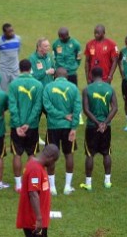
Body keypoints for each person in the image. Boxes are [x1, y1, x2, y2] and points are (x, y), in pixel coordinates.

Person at [43, 67, 81, 195]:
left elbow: (47, 107)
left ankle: (52, 188)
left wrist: (59, 114)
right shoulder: (73, 88)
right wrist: (74, 127)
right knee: (69, 154)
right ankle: (67, 186)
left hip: (53, 126)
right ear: (67, 76)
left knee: (50, 156)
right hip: (68, 127)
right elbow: (77, 109)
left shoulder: (48, 87)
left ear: (55, 76)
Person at [79, 67, 118, 191]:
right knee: (106, 153)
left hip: (92, 127)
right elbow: (115, 108)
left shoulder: (87, 89)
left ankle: (88, 183)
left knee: (90, 154)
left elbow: (86, 109)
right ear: (103, 75)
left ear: (91, 75)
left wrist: (97, 123)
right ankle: (107, 181)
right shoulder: (110, 88)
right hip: (106, 127)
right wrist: (104, 123)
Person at [8, 60, 44, 193]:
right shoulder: (38, 84)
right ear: (30, 69)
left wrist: (18, 125)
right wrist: (28, 123)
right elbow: (37, 106)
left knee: (17, 154)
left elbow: (12, 106)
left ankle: (18, 185)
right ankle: (30, 181)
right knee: (32, 154)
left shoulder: (13, 84)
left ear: (19, 68)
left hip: (16, 126)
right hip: (32, 126)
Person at [16, 144, 60, 237]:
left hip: (37, 219)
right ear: (51, 158)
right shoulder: (35, 169)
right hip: (34, 221)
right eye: (54, 161)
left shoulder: (37, 165)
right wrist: (39, 219)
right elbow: (33, 193)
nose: (53, 164)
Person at [52, 27, 83, 125]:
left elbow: (79, 57)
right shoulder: (56, 44)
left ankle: (78, 115)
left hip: (71, 74)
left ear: (67, 35)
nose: (61, 38)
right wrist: (57, 69)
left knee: (74, 94)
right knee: (59, 94)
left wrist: (74, 67)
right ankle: (61, 114)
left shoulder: (75, 44)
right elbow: (54, 57)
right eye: (59, 37)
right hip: (59, 75)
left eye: (63, 37)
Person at [0, 23, 21, 91]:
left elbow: (18, 51)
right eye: (9, 32)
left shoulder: (18, 39)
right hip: (4, 70)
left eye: (12, 31)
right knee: (3, 90)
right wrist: (0, 64)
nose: (12, 33)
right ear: (4, 32)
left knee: (17, 89)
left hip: (15, 69)